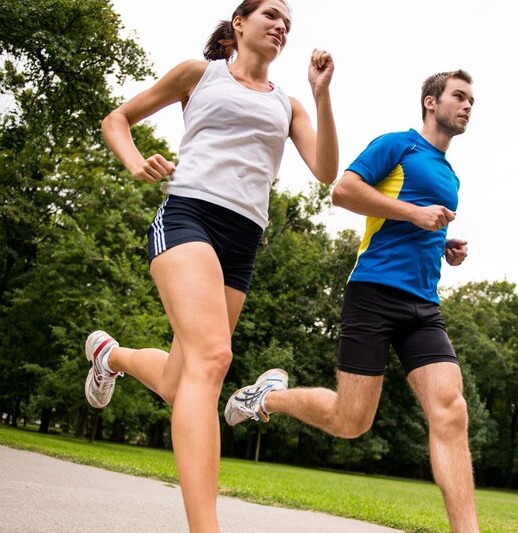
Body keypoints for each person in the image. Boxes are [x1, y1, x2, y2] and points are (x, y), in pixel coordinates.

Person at [84, 1, 338, 531]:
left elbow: (325, 171)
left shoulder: (289, 105)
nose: (281, 25)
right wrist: (136, 162)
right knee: (214, 358)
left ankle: (111, 356)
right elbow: (117, 120)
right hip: (188, 216)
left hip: (243, 240)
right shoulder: (199, 76)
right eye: (270, 14)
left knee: (184, 382)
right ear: (240, 24)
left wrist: (321, 95)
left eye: (288, 22)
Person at [225, 69, 479, 533]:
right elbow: (342, 191)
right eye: (459, 97)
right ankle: (268, 398)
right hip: (374, 294)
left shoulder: (450, 174)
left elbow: (414, 224)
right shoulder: (397, 144)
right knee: (351, 421)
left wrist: (443, 244)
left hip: (424, 305)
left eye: (471, 101)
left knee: (452, 409)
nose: (467, 106)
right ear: (430, 101)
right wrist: (415, 214)